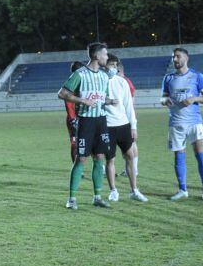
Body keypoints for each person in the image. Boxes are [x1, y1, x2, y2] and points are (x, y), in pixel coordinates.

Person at [58, 43, 117, 210]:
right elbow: (62, 93)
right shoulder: (80, 74)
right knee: (81, 159)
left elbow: (100, 98)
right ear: (97, 56)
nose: (107, 57)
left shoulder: (105, 76)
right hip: (86, 122)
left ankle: (97, 197)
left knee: (100, 158)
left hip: (101, 121)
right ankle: (72, 199)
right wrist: (81, 100)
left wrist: (110, 101)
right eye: (105, 55)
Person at [161, 47, 203, 200]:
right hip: (176, 122)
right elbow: (162, 98)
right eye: (173, 57)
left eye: (178, 56)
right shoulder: (168, 78)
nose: (175, 59)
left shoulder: (197, 76)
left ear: (186, 58)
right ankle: (183, 190)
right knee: (179, 155)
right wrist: (165, 101)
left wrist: (194, 99)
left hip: (194, 122)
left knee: (200, 154)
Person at [103, 55, 147, 202]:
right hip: (107, 126)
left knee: (130, 156)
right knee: (110, 160)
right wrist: (107, 102)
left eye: (115, 65)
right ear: (104, 65)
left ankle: (134, 190)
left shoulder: (122, 82)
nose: (113, 68)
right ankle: (113, 191)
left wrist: (133, 126)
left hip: (123, 125)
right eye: (111, 64)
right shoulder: (99, 81)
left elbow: (129, 106)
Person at [58, 61, 84, 164]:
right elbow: (69, 105)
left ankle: (101, 167)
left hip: (84, 117)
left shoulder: (81, 83)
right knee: (75, 143)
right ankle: (76, 167)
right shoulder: (71, 85)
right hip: (74, 119)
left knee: (90, 141)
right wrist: (73, 119)